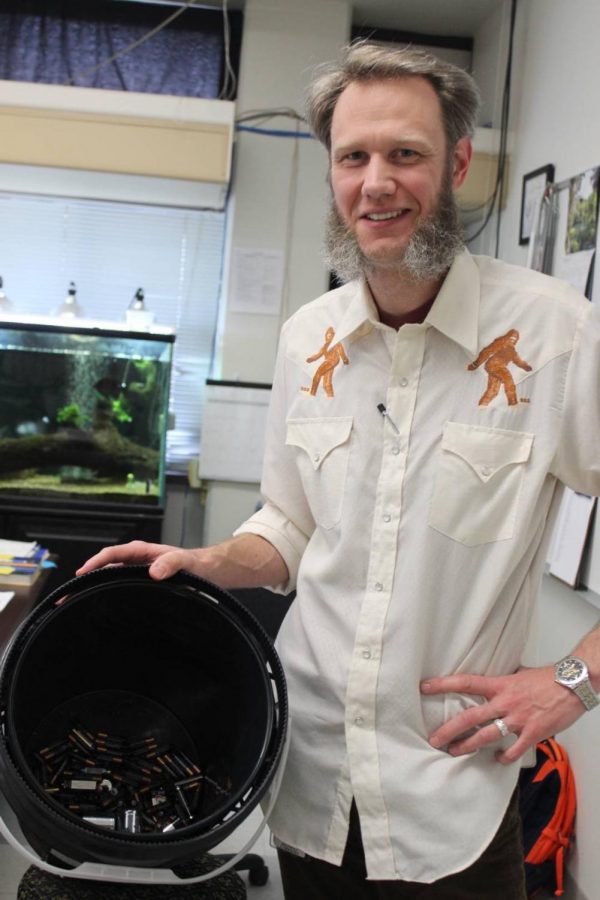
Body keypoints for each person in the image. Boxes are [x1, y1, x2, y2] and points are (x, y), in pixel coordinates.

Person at [78, 43, 600, 899]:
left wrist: (574, 682)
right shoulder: (307, 339)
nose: (376, 182)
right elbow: (287, 524)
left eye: (406, 154)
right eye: (353, 157)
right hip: (310, 781)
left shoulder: (555, 336)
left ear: (459, 162)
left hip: (451, 804)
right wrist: (211, 561)